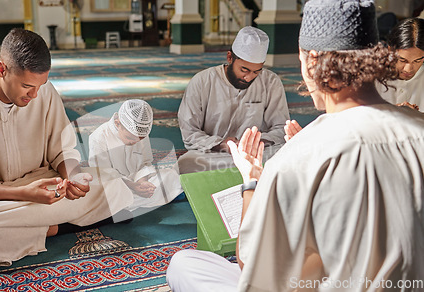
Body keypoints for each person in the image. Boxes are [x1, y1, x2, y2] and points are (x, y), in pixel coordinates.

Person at [166, 0, 424, 291]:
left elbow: (251, 264)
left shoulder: (299, 157)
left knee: (185, 263)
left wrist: (251, 182)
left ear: (310, 61)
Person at [0, 28, 131, 266]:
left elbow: (62, 151)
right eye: (27, 86)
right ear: (1, 70)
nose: (36, 95)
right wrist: (22, 193)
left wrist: (73, 178)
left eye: (42, 85)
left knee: (113, 181)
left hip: (45, 186)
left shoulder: (43, 91)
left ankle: (8, 238)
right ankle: (58, 226)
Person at [177, 26, 290, 174]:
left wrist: (258, 142)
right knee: (187, 163)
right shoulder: (202, 81)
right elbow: (189, 132)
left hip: (256, 154)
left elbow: (281, 127)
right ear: (229, 57)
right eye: (244, 70)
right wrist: (222, 145)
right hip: (215, 154)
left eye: (256, 71)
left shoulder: (271, 81)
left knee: (289, 155)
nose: (249, 77)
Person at [88, 99, 183, 216]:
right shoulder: (99, 138)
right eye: (129, 138)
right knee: (106, 196)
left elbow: (146, 163)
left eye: (140, 139)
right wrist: (133, 186)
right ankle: (163, 197)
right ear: (118, 124)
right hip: (115, 185)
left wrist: (142, 182)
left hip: (136, 182)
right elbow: (103, 175)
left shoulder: (139, 133)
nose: (135, 142)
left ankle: (128, 206)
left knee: (170, 175)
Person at [375, 17, 424, 112]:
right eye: (402, 60)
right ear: (390, 50)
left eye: (417, 61)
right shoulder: (372, 75)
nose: (408, 69)